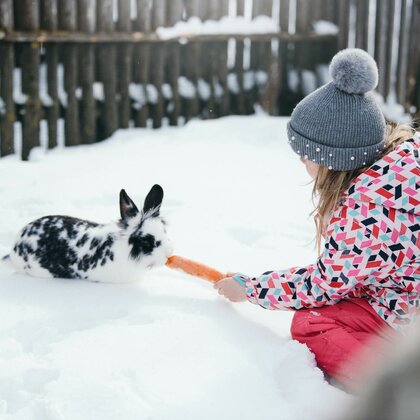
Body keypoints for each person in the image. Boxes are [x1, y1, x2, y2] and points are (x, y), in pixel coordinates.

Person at [214, 48, 420, 390]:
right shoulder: (406, 158)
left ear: (335, 158)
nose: (301, 163)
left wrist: (251, 289)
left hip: (407, 310)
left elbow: (324, 285)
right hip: (407, 290)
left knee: (312, 324)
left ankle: (398, 388)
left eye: (307, 155)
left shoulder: (365, 212)